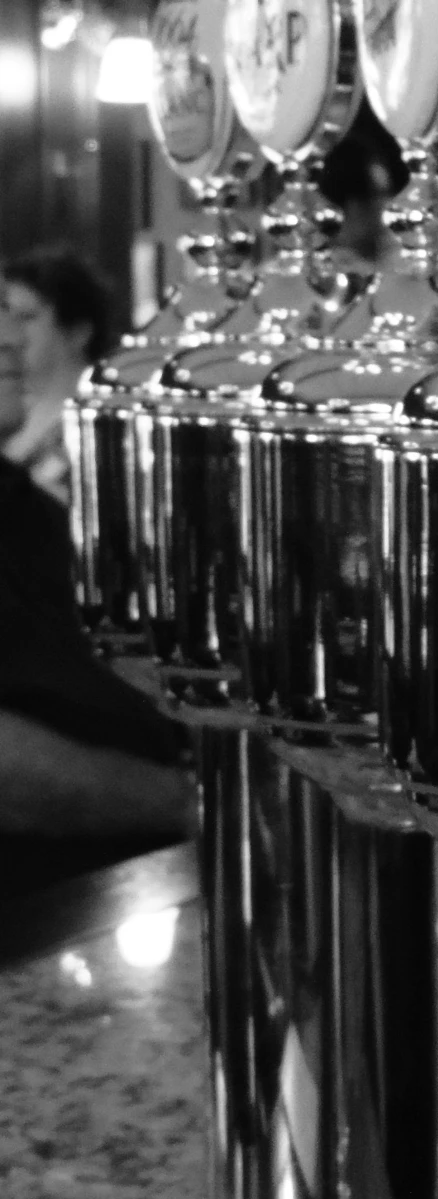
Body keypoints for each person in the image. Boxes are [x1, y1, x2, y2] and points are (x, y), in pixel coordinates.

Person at [0, 287, 190, 894]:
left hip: (132, 888)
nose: (11, 340)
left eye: (12, 313)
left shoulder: (26, 505)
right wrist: (189, 804)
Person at [3, 244, 115, 505]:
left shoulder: (97, 431)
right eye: (5, 313)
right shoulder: (13, 413)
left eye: (25, 317)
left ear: (78, 333)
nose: (10, 331)